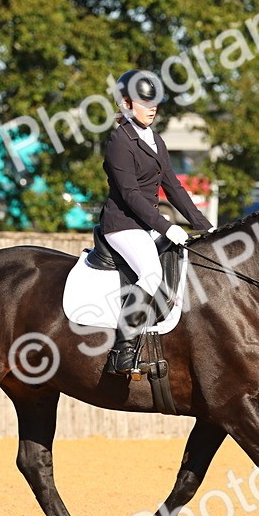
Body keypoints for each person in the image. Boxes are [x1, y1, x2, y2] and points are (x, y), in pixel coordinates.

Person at [100, 69, 213, 375]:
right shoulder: (119, 142)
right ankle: (121, 351)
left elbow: (173, 187)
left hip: (146, 223)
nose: (152, 108)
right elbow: (130, 194)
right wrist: (166, 227)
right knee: (150, 274)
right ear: (125, 103)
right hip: (122, 224)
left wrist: (205, 226)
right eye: (144, 102)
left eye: (155, 102)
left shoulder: (154, 139)